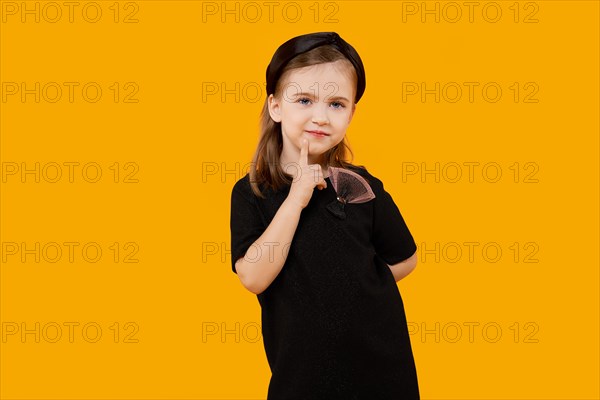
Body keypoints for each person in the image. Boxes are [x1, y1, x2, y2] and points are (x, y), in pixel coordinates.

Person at [229, 31, 420, 400]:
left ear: (351, 112)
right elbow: (252, 276)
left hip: (381, 367)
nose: (321, 116)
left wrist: (358, 290)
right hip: (303, 373)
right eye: (304, 100)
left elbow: (406, 258)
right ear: (276, 106)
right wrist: (296, 198)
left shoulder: (363, 185)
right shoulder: (253, 190)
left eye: (336, 104)